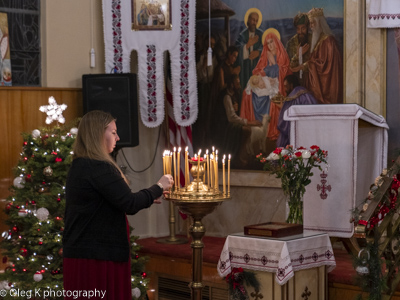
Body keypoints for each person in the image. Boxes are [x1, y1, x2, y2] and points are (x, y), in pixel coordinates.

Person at [63, 110, 174, 299]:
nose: (118, 137)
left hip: (87, 253)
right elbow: (129, 203)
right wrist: (159, 186)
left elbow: (116, 199)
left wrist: (148, 195)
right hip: (97, 259)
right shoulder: (98, 167)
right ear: (98, 133)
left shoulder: (82, 164)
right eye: (113, 132)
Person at [240, 28, 292, 142]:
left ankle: (269, 129)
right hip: (266, 83)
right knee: (247, 93)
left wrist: (275, 69)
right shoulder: (266, 54)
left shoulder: (281, 55)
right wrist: (262, 77)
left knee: (272, 96)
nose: (270, 45)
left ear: (276, 41)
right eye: (267, 43)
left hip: (278, 85)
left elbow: (286, 71)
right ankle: (253, 127)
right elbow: (259, 69)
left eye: (271, 42)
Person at [291, 7, 343, 104]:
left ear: (319, 23)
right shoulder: (319, 40)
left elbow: (324, 66)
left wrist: (304, 66)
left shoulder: (329, 42)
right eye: (310, 24)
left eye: (312, 23)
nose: (311, 26)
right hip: (315, 87)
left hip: (325, 89)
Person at [213, 74, 261, 167]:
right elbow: (231, 118)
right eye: (237, 84)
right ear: (231, 85)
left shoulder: (233, 94)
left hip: (228, 123)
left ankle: (241, 156)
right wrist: (249, 122)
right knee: (246, 130)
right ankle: (236, 157)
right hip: (224, 126)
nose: (239, 86)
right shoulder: (226, 96)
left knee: (248, 129)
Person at [276, 74, 318, 147]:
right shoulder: (308, 95)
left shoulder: (291, 98)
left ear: (291, 85)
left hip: (293, 133)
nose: (285, 89)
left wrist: (282, 108)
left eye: (286, 86)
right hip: (309, 132)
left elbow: (284, 122)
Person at [235, 9, 264, 93]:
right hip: (245, 71)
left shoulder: (261, 34)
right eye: (252, 20)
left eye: (256, 21)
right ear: (248, 20)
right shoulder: (242, 35)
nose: (254, 22)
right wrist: (247, 45)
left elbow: (266, 48)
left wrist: (258, 52)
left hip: (257, 71)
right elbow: (237, 49)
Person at [286, 12, 312, 82]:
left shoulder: (313, 40)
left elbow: (316, 62)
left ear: (307, 28)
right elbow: (289, 67)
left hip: (312, 79)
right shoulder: (291, 43)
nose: (300, 32)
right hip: (296, 81)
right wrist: (297, 55)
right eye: (298, 29)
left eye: (303, 28)